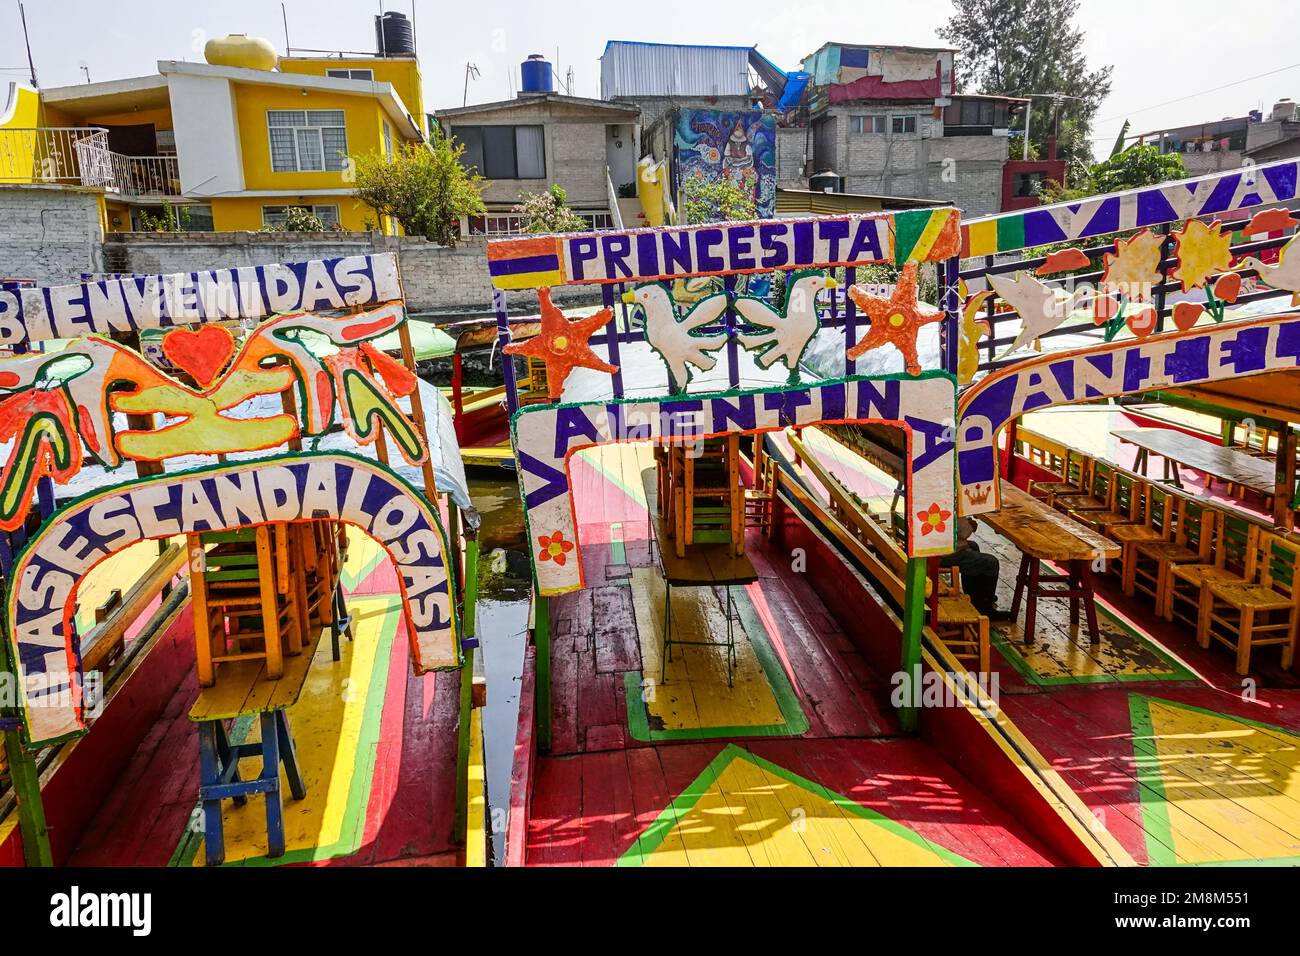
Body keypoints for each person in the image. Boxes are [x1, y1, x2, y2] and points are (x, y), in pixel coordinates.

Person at [940, 516, 1012, 621]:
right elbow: (963, 532)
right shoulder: (949, 504)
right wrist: (970, 524)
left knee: (974, 546)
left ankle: (976, 597)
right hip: (944, 554)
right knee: (991, 563)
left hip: (941, 548)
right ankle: (985, 609)